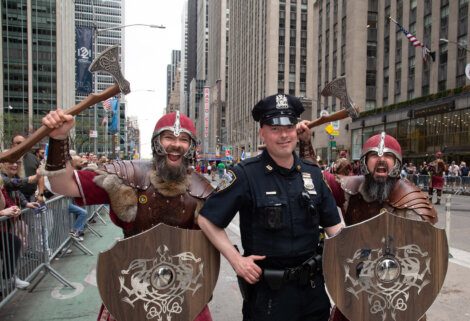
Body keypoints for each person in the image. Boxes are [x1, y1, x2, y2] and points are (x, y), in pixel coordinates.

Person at [41, 109, 214, 321]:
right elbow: (63, 185)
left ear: (192, 147)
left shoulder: (202, 190)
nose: (176, 144)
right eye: (169, 137)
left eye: (184, 139)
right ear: (156, 142)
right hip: (131, 290)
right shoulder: (128, 175)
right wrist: (58, 139)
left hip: (183, 293)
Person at [197, 94, 344, 321]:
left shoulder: (314, 175)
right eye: (274, 128)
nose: (283, 134)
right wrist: (237, 261)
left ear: (297, 130)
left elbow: (336, 230)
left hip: (313, 294)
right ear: (262, 133)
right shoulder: (245, 174)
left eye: (289, 126)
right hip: (268, 298)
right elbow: (207, 219)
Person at [302, 132, 437, 321]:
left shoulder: (413, 201)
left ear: (397, 163)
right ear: (364, 161)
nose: (381, 161)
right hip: (356, 289)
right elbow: (316, 180)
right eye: (374, 155)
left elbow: (425, 260)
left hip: (400, 294)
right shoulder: (352, 189)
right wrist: (306, 143)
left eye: (388, 156)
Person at [0, 178, 30, 289]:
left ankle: (8, 277)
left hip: (4, 228)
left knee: (15, 242)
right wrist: (2, 212)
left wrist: (14, 208)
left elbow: (5, 203)